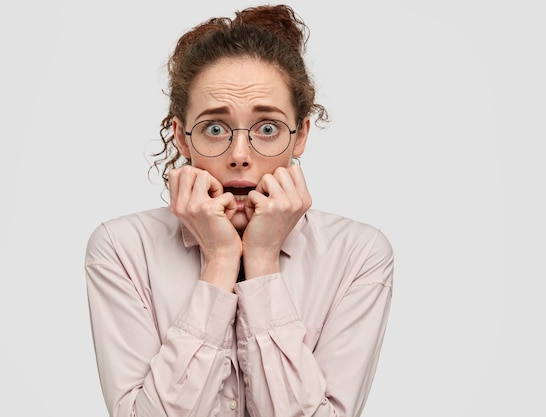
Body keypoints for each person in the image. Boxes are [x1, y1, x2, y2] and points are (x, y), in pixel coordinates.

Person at [85, 4, 394, 417]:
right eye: (215, 128)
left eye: (268, 128)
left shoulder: (359, 254)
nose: (240, 155)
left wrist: (263, 260)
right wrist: (219, 261)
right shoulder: (121, 248)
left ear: (300, 134)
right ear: (181, 136)